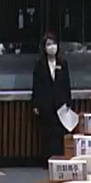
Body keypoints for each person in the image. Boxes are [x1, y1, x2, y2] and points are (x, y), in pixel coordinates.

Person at [31, 32, 73, 163]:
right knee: (47, 132)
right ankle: (47, 159)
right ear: (44, 47)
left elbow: (67, 84)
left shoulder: (63, 63)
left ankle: (59, 159)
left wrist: (68, 102)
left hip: (60, 103)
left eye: (54, 44)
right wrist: (35, 104)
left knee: (59, 132)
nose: (52, 47)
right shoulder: (40, 64)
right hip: (45, 103)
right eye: (49, 44)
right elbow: (36, 85)